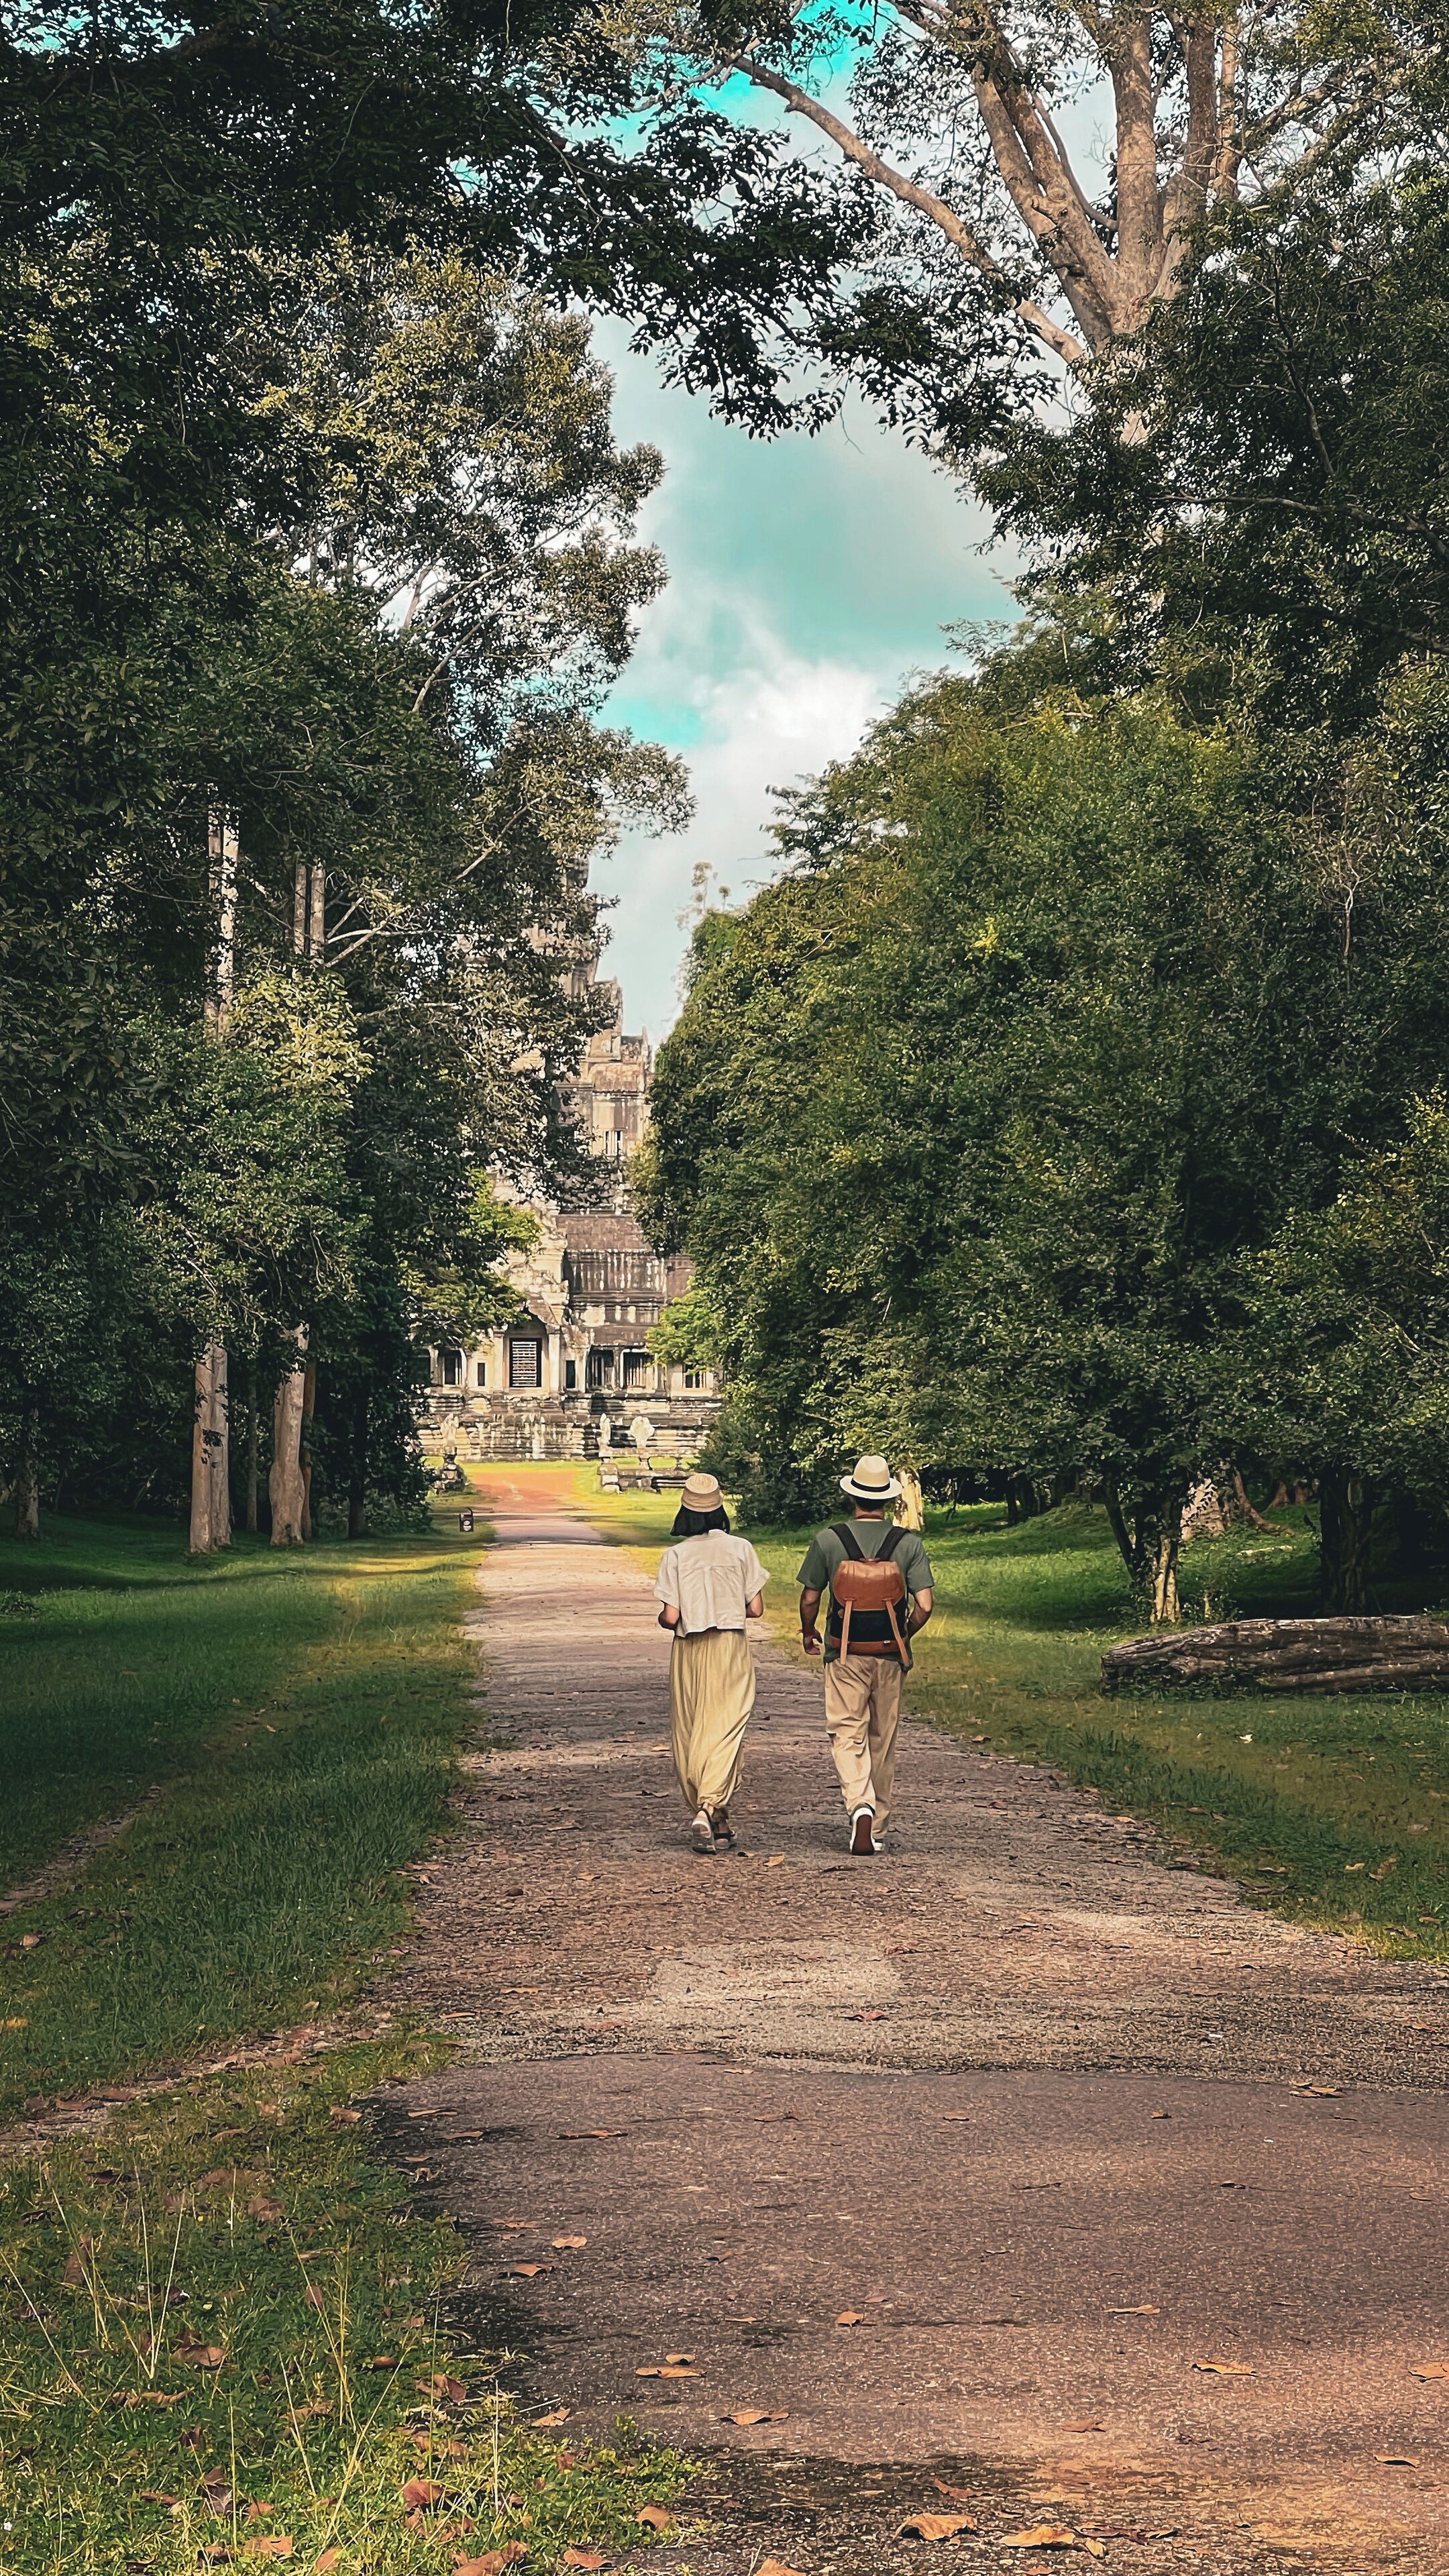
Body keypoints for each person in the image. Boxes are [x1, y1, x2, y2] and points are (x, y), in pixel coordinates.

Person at [797, 1455, 934, 1855]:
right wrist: (902, 1635)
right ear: (888, 1501)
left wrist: (810, 1632)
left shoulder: (828, 1540)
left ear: (852, 1497)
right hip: (890, 1655)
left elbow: (810, 1597)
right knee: (883, 1737)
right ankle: (877, 1828)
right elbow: (924, 1604)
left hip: (843, 1652)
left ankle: (860, 1804)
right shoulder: (908, 1544)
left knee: (846, 1731)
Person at [654, 1470, 769, 1854]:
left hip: (689, 1648)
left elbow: (671, 1618)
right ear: (720, 1510)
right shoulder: (741, 1549)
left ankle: (709, 1810)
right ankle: (712, 1810)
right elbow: (756, 1609)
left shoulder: (676, 1555)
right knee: (727, 1726)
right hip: (731, 1646)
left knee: (692, 1728)